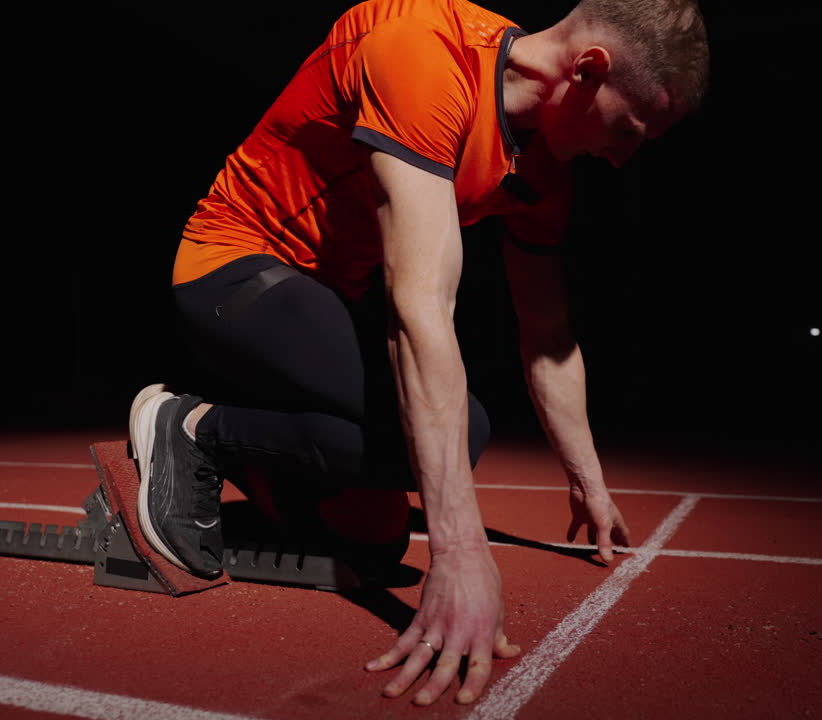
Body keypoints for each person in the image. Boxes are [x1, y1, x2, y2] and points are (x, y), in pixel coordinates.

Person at [130, 0, 709, 706]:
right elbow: (418, 308)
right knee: (460, 433)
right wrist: (460, 550)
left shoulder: (546, 172)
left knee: (372, 545)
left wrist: (587, 480)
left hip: (324, 306)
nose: (621, 157)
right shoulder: (424, 51)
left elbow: (548, 332)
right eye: (628, 130)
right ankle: (192, 427)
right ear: (588, 69)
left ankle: (258, 450)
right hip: (233, 268)